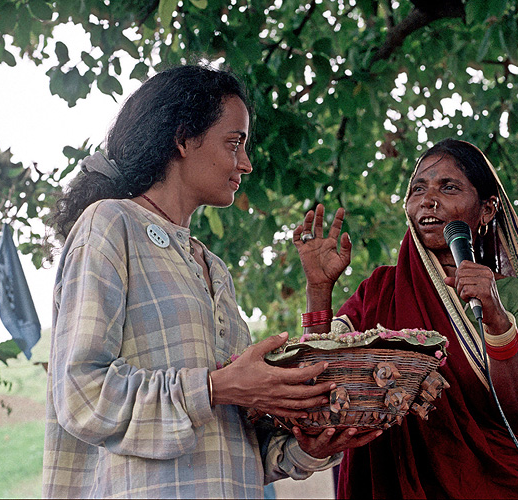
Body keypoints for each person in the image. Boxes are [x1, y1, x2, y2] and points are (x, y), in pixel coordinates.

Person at [43, 64, 380, 498]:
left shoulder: (213, 267)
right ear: (182, 139)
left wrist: (307, 447)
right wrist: (215, 387)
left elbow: (235, 442)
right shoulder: (110, 224)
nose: (247, 162)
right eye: (234, 142)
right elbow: (82, 392)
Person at [293, 139, 518, 498]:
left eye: (449, 187)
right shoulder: (380, 289)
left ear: (486, 209)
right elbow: (317, 386)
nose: (428, 199)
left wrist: (497, 320)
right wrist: (318, 290)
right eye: (418, 189)